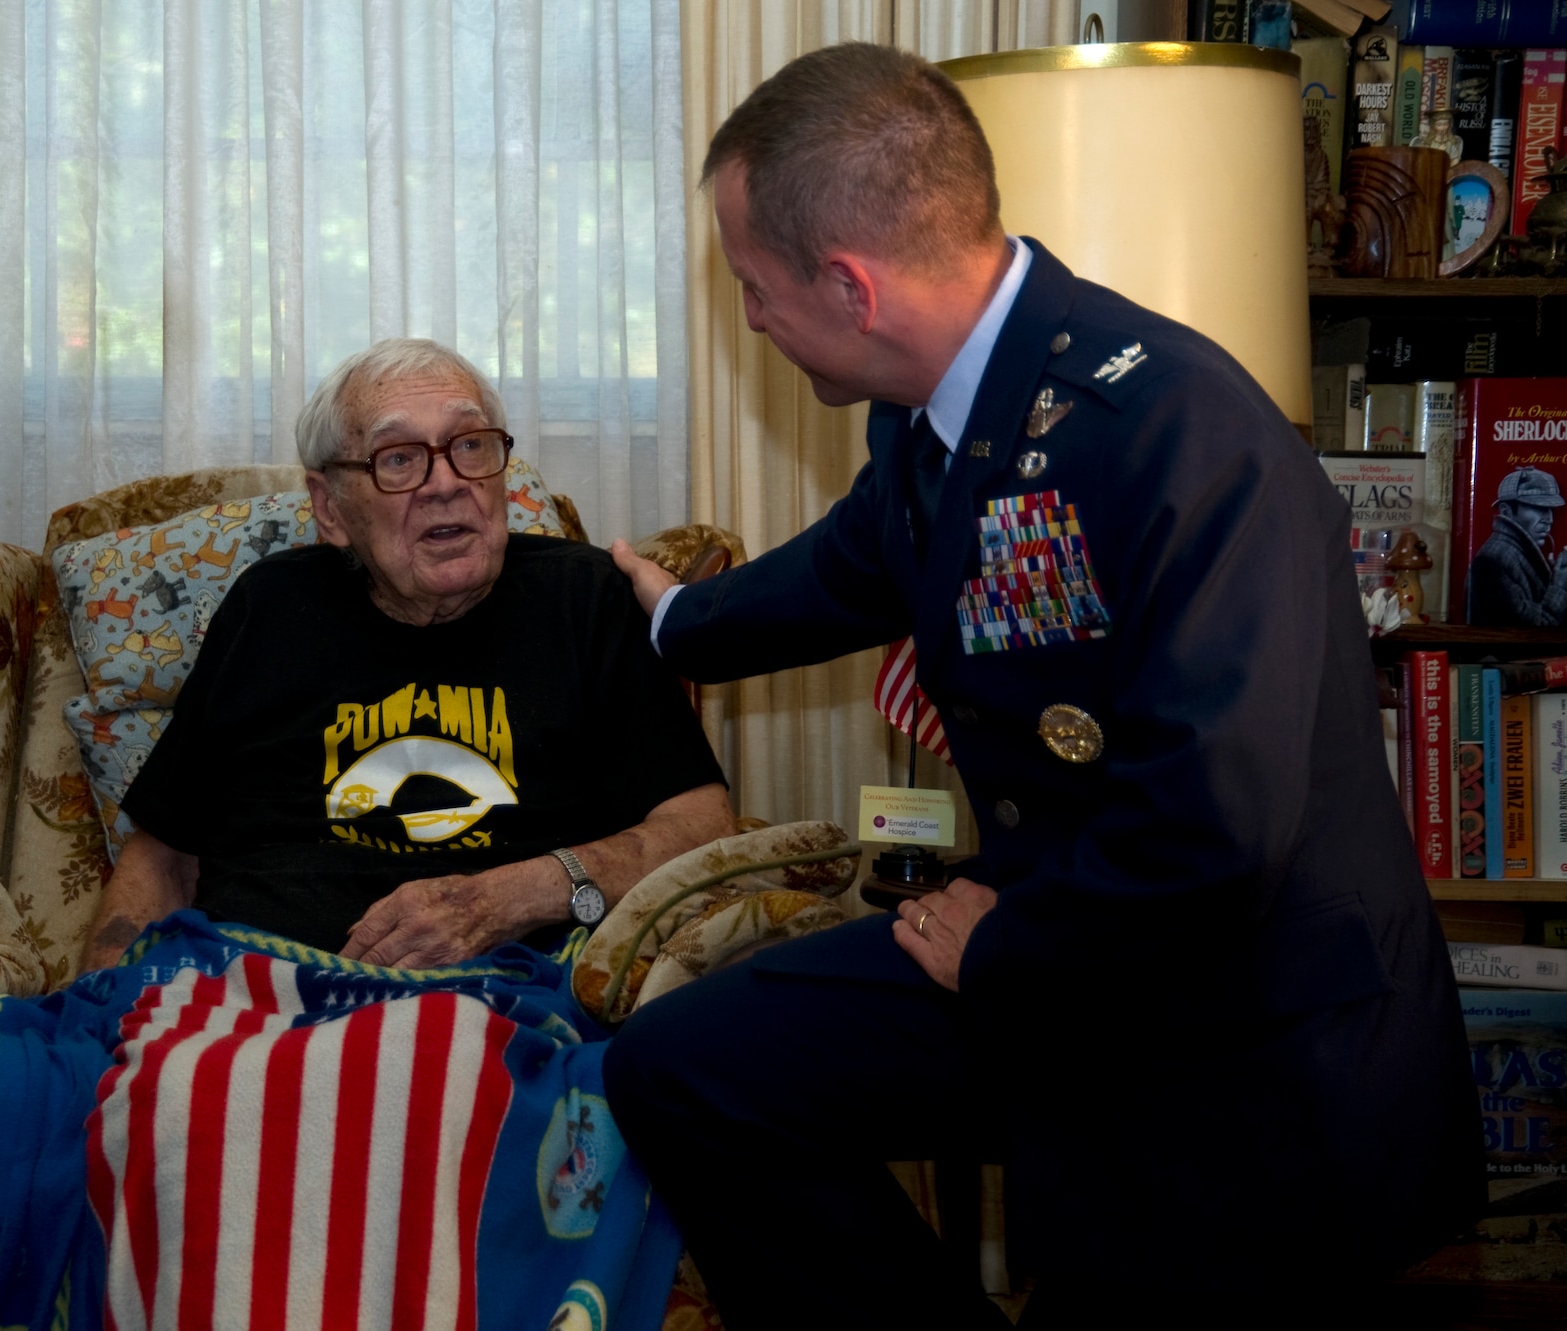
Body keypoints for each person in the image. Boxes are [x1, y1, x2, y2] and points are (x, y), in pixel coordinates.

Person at [602, 44, 1479, 1326]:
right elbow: (852, 563)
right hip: (1067, 945)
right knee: (684, 1067)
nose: (748, 320)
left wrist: (1003, 946)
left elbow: (1214, 830)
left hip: (1236, 1023)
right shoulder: (934, 403)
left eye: (751, 286)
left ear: (848, 285)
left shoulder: (1179, 432)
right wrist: (670, 618)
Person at [80, 338, 732, 973]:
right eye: (397, 458)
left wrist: (518, 895)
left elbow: (703, 825)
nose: (446, 483)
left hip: (508, 991)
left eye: (470, 445)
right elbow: (164, 859)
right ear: (330, 508)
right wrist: (100, 1006)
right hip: (251, 989)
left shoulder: (585, 600)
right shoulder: (269, 607)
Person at [1465, 465, 1567, 627]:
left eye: (1550, 509)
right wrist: (1560, 586)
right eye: (1538, 508)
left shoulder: (1517, 554)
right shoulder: (1492, 562)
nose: (1549, 519)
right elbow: (1529, 630)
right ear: (1506, 511)